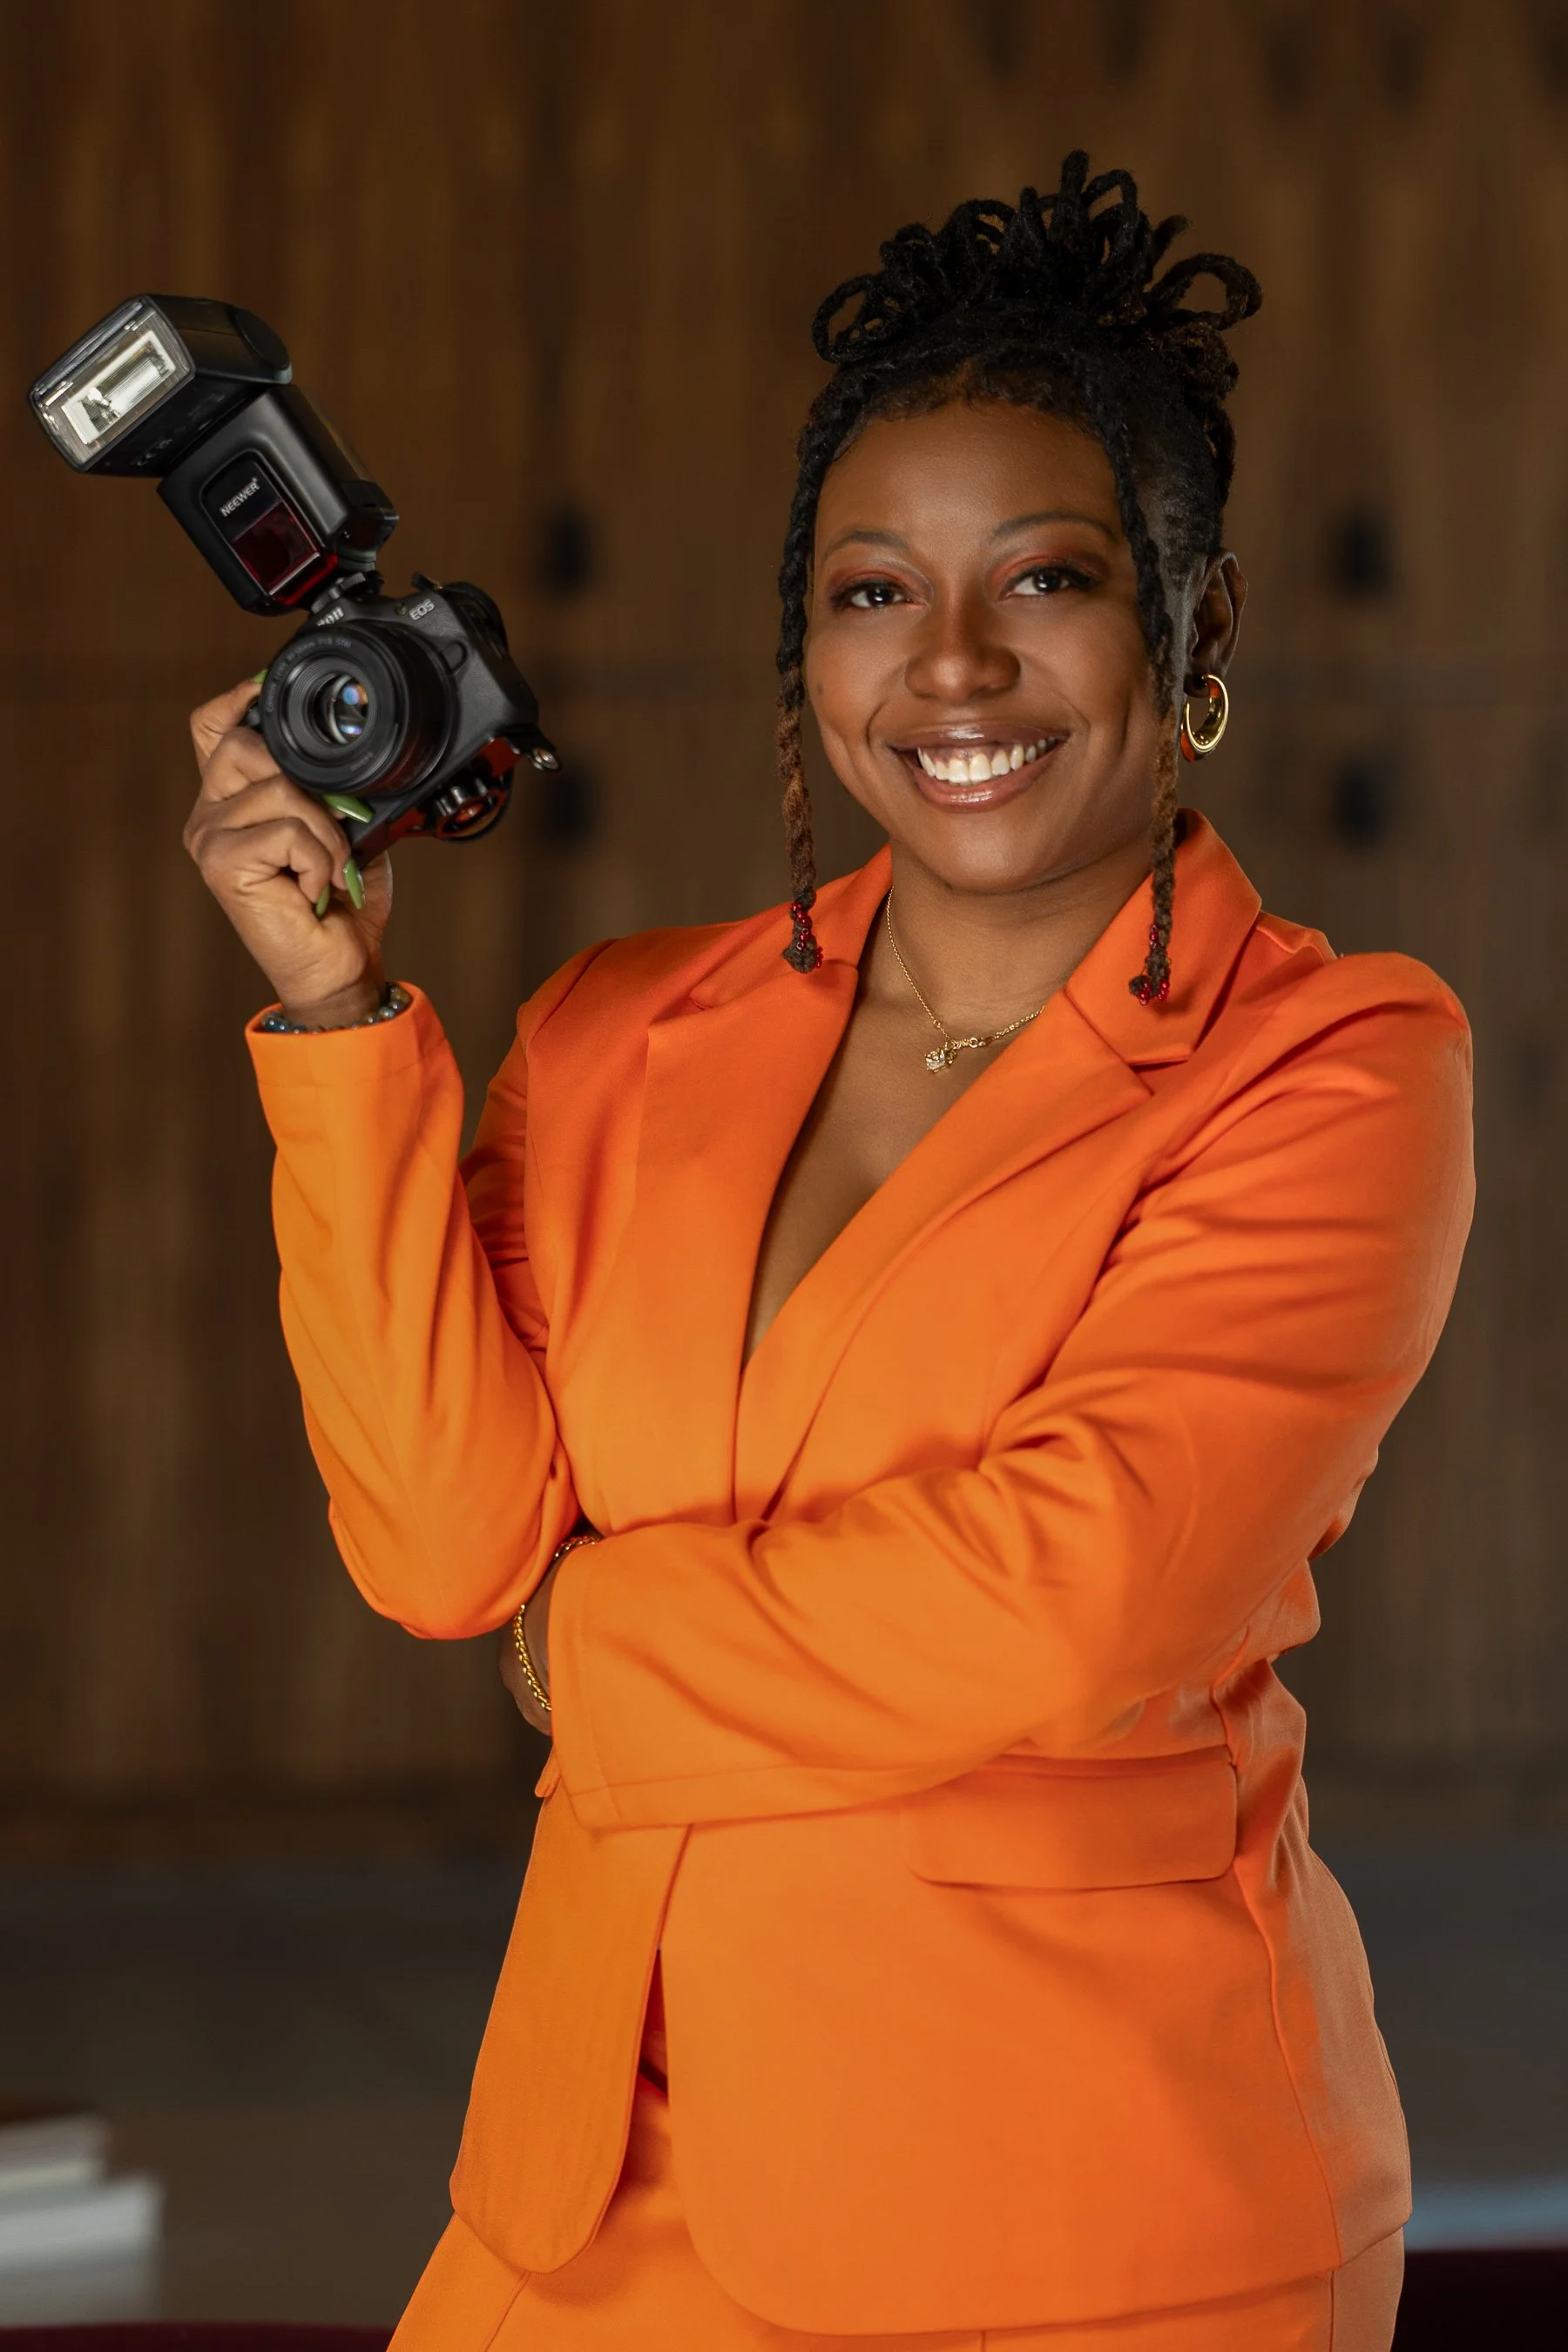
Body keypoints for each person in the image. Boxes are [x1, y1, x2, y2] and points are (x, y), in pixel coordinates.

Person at [185, 157, 1472, 2352]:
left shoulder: (1335, 1065)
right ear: (808, 637)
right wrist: (334, 1020)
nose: (952, 665)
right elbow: (438, 1543)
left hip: (1076, 2213)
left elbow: (1072, 1604)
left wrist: (587, 1659)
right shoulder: (616, 1034)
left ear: (1200, 625)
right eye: (875, 593)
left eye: (1044, 578)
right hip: (578, 2200)